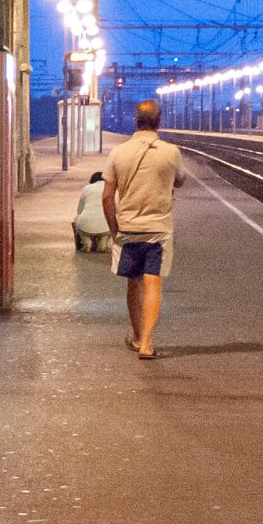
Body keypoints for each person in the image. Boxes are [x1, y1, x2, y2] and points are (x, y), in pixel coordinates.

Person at [102, 100, 186, 361]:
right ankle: (147, 343)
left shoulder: (118, 153)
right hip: (158, 229)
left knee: (133, 283)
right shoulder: (171, 152)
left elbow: (106, 197)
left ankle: (137, 336)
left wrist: (114, 230)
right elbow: (180, 180)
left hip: (128, 228)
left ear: (135, 121)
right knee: (153, 282)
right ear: (159, 122)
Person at [71, 171, 110, 252]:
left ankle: (86, 241)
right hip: (106, 228)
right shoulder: (110, 188)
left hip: (86, 227)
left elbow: (79, 210)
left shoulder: (87, 188)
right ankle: (104, 241)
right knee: (114, 218)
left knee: (77, 218)